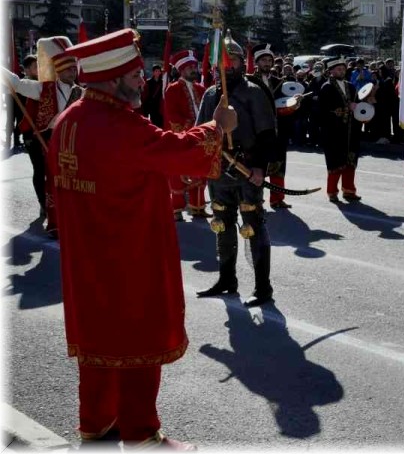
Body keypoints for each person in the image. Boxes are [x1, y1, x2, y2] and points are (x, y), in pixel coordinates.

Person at [51, 29, 235, 449]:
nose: (142, 81)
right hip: (128, 254)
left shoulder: (68, 121)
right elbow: (173, 149)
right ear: (113, 79)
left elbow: (128, 170)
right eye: (134, 75)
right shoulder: (119, 125)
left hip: (85, 258)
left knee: (98, 340)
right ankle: (141, 432)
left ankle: (96, 422)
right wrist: (217, 126)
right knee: (138, 338)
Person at [196, 39, 278, 308]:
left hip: (247, 168)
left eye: (233, 61)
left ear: (242, 63)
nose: (228, 67)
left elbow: (267, 135)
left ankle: (263, 288)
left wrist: (259, 168)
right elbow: (199, 134)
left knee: (252, 224)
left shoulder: (254, 92)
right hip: (218, 170)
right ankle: (226, 279)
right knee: (221, 223)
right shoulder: (210, 95)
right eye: (223, 62)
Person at [2, 36, 82, 238]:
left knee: (75, 185)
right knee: (53, 183)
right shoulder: (43, 89)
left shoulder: (81, 93)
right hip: (50, 144)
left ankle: (74, 220)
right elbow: (18, 84)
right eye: (69, 69)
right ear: (59, 70)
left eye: (74, 69)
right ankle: (55, 223)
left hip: (75, 146)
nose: (73, 72)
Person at [162, 50, 211, 221]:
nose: (194, 69)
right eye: (190, 67)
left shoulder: (201, 88)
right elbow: (172, 115)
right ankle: (176, 209)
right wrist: (191, 127)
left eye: (195, 66)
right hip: (180, 138)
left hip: (200, 137)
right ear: (181, 70)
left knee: (199, 170)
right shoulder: (172, 89)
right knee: (178, 173)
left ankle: (198, 206)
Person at [247, 44, 292, 209]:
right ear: (257, 62)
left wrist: (293, 104)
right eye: (263, 60)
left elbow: (284, 105)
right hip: (257, 132)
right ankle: (255, 200)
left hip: (278, 131)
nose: (267, 63)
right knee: (258, 166)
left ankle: (277, 198)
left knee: (279, 165)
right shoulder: (248, 81)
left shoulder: (279, 82)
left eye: (269, 60)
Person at [318, 57, 363, 203]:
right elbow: (323, 111)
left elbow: (357, 105)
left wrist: (361, 108)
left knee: (350, 162)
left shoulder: (351, 86)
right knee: (335, 163)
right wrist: (346, 109)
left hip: (351, 131)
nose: (341, 71)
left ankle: (349, 190)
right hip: (333, 132)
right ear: (331, 71)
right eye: (338, 69)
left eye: (343, 69)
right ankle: (332, 192)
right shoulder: (327, 87)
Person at [141, 64, 165, 128]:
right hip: (152, 105)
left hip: (160, 105)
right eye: (156, 71)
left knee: (161, 121)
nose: (157, 72)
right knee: (154, 121)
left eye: (159, 71)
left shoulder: (163, 82)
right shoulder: (149, 82)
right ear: (153, 72)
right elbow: (145, 94)